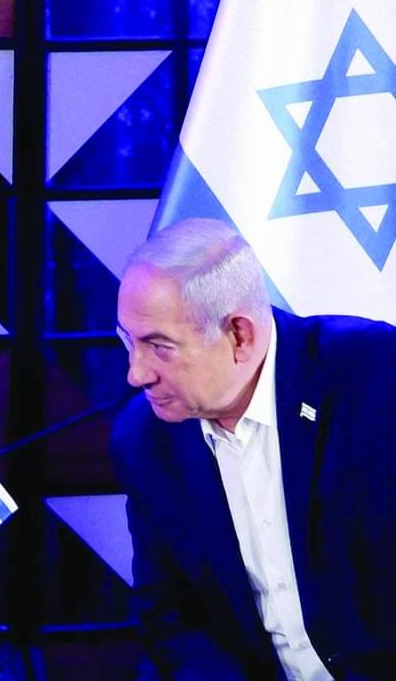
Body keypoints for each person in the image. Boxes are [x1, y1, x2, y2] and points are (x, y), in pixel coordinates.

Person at [111, 218, 396, 680]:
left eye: (159, 347)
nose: (136, 373)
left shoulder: (375, 377)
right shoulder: (146, 440)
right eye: (127, 341)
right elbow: (172, 617)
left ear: (239, 335)